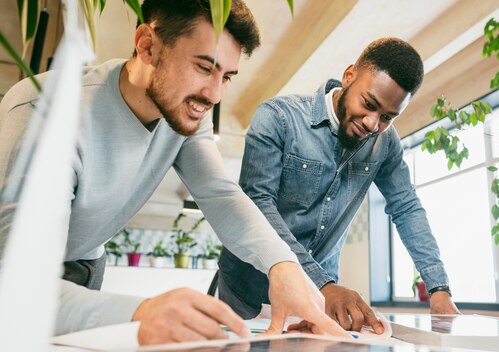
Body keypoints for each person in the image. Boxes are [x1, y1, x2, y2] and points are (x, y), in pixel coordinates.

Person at [0, 0, 348, 345]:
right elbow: (16, 288)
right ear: (147, 45)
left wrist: (283, 266)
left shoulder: (184, 114)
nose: (214, 94)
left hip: (85, 268)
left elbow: (222, 194)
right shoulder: (45, 114)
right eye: (203, 67)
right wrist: (143, 313)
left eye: (226, 76)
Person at [218, 37, 460, 333]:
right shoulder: (279, 118)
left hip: (320, 298)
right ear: (348, 77)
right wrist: (324, 283)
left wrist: (438, 288)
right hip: (248, 291)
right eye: (369, 104)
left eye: (387, 117)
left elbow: (407, 207)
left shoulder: (385, 144)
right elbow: (259, 203)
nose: (373, 124)